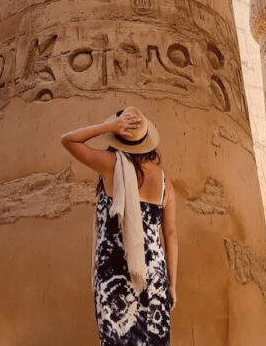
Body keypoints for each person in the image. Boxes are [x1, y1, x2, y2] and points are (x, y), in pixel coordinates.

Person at [60, 106, 178, 345]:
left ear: (117, 139)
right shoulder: (164, 180)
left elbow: (68, 140)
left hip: (115, 274)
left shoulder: (111, 164)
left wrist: (108, 127)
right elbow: (171, 235)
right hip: (154, 275)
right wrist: (172, 284)